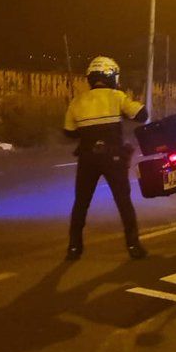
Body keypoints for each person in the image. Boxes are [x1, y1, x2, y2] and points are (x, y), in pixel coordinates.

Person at [62, 56, 148, 261]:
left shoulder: (77, 101)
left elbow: (69, 132)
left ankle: (74, 248)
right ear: (111, 76)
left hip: (87, 158)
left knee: (81, 203)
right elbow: (142, 115)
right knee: (123, 201)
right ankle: (134, 245)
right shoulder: (116, 96)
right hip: (113, 158)